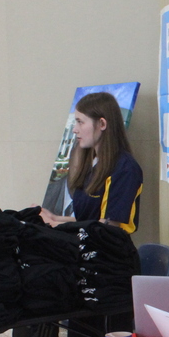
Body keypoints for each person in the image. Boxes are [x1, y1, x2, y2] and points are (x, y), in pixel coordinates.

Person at [40, 92, 143, 234]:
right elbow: (89, 220)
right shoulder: (93, 163)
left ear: (102, 124)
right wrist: (56, 218)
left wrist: (56, 225)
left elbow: (107, 228)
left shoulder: (125, 169)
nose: (75, 129)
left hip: (109, 253)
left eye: (80, 122)